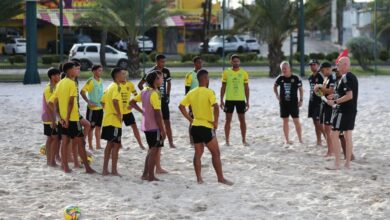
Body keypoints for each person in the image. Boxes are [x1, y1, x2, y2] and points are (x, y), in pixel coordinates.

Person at [179, 69, 233, 185]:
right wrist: (216, 122)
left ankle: (199, 179)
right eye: (208, 77)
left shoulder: (192, 92)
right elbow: (216, 107)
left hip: (195, 127)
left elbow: (181, 107)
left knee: (198, 153)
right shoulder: (209, 92)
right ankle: (220, 178)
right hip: (206, 127)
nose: (209, 79)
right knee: (216, 153)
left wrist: (190, 120)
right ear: (204, 79)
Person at [48, 61, 95, 174]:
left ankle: (65, 168)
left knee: (65, 142)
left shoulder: (60, 83)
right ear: (69, 70)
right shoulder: (71, 83)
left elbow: (52, 102)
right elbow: (70, 103)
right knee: (80, 143)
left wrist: (60, 118)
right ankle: (88, 169)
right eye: (75, 68)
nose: (77, 70)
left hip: (63, 120)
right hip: (72, 119)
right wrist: (68, 119)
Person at [131, 70, 166, 181]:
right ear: (155, 80)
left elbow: (132, 102)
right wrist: (163, 129)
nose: (162, 80)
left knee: (151, 150)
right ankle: (151, 176)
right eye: (160, 78)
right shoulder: (154, 93)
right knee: (154, 151)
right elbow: (157, 114)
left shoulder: (145, 90)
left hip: (146, 125)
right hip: (154, 126)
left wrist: (143, 111)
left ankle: (145, 174)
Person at [326, 57, 358, 169]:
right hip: (351, 110)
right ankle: (347, 164)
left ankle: (337, 163)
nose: (337, 66)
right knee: (348, 135)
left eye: (338, 64)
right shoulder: (352, 77)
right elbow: (345, 94)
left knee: (333, 134)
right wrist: (334, 96)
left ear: (345, 65)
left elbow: (349, 96)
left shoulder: (345, 77)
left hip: (343, 111)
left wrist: (334, 101)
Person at [138, 54, 175, 148]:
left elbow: (169, 83)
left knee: (167, 121)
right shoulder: (151, 72)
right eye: (162, 61)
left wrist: (167, 95)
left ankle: (170, 142)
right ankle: (157, 142)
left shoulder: (166, 71)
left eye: (164, 62)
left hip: (163, 100)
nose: (164, 63)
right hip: (154, 99)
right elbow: (140, 84)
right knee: (156, 120)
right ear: (157, 62)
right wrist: (146, 95)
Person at [219, 54, 250, 146]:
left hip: (240, 100)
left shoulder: (244, 73)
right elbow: (223, 87)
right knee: (228, 120)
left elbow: (246, 88)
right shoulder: (226, 72)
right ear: (231, 62)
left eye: (237, 61)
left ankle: (244, 140)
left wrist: (247, 101)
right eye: (234, 61)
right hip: (229, 100)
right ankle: (227, 141)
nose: (236, 63)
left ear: (239, 62)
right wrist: (221, 100)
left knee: (242, 120)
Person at [101, 68, 125, 176]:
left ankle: (105, 170)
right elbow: (115, 101)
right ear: (117, 75)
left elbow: (102, 102)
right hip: (114, 121)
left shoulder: (109, 87)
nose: (124, 75)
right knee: (116, 145)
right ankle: (114, 170)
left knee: (109, 145)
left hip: (107, 119)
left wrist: (108, 111)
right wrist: (119, 114)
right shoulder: (116, 87)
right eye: (122, 74)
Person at [273, 61, 303, 144]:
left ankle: (300, 139)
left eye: (285, 68)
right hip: (283, 103)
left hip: (294, 103)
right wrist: (277, 95)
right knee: (285, 121)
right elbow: (274, 86)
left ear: (289, 68)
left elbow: (301, 89)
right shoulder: (280, 78)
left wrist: (301, 100)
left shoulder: (296, 78)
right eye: (282, 69)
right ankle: (287, 140)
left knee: (296, 121)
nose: (284, 70)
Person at [81, 64, 104, 150]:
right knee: (90, 128)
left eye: (101, 70)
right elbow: (82, 92)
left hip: (100, 108)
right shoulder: (90, 81)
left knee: (98, 127)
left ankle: (98, 145)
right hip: (92, 109)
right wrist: (88, 101)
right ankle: (90, 146)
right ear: (94, 71)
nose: (100, 72)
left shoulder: (101, 80)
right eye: (99, 70)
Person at [314, 62, 335, 156]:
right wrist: (317, 91)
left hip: (330, 106)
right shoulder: (326, 78)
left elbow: (331, 90)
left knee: (328, 129)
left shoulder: (332, 77)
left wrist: (320, 87)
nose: (322, 72)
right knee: (324, 127)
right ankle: (331, 149)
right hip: (324, 103)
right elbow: (323, 93)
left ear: (328, 69)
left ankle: (331, 151)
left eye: (323, 70)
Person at [42, 68, 61, 167]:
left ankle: (50, 160)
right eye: (58, 75)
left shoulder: (56, 86)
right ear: (52, 76)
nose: (59, 77)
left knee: (52, 138)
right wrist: (54, 119)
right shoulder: (49, 88)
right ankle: (50, 160)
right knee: (54, 138)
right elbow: (50, 105)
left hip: (54, 117)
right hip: (49, 117)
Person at [120, 77, 145, 150]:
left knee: (135, 127)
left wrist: (132, 105)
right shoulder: (116, 85)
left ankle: (140, 144)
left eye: (124, 74)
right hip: (119, 111)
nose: (123, 76)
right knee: (118, 128)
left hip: (127, 111)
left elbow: (136, 96)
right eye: (122, 74)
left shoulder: (130, 84)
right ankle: (119, 144)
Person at [184, 56, 202, 145]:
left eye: (201, 62)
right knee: (192, 120)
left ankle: (201, 138)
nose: (200, 64)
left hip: (202, 101)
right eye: (198, 62)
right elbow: (187, 91)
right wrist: (189, 103)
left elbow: (207, 88)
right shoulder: (190, 75)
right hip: (193, 101)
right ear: (194, 64)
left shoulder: (204, 74)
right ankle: (191, 140)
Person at [308, 59, 325, 146]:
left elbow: (325, 89)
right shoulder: (310, 77)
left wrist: (320, 93)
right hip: (312, 102)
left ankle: (327, 138)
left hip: (319, 102)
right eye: (311, 65)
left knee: (318, 122)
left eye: (314, 64)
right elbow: (312, 90)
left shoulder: (321, 76)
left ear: (318, 65)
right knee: (315, 122)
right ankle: (319, 141)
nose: (312, 66)